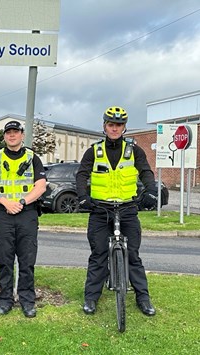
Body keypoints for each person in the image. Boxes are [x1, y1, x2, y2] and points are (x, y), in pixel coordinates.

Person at [76, 106, 157, 317]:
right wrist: (83, 196)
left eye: (119, 125)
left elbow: (146, 172)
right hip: (100, 209)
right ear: (105, 126)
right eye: (111, 124)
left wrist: (151, 190)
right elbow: (81, 175)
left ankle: (143, 298)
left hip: (127, 208)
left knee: (133, 256)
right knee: (99, 254)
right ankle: (91, 298)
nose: (115, 128)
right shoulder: (93, 151)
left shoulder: (134, 151)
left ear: (124, 128)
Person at [0, 120, 46, 318]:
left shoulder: (32, 157)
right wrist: (5, 202)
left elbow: (41, 186)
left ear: (22, 134)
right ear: (4, 136)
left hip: (27, 213)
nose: (12, 135)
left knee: (27, 260)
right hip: (3, 213)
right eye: (8, 132)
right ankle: (5, 300)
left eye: (15, 132)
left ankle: (27, 300)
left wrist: (21, 202)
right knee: (5, 260)